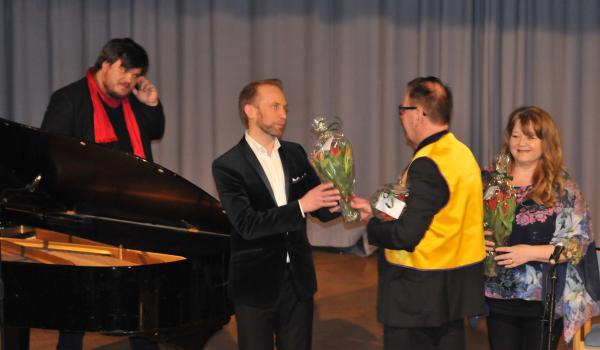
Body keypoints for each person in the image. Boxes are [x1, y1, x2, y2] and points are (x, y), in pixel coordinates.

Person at [40, 37, 165, 350]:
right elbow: (50, 155)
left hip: (133, 216)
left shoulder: (132, 100)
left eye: (136, 74)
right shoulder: (69, 99)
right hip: (84, 221)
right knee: (77, 308)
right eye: (125, 71)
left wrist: (151, 104)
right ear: (105, 64)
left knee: (140, 304)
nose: (130, 80)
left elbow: (154, 131)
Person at [351, 76, 487, 350]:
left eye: (403, 110)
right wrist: (376, 207)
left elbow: (406, 235)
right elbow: (435, 209)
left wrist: (372, 226)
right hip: (451, 287)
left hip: (417, 293)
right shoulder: (460, 152)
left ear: (420, 114)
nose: (400, 117)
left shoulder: (428, 162)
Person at [212, 78, 341, 350]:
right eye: (274, 106)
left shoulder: (294, 153)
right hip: (255, 284)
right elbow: (247, 225)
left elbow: (318, 206)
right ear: (250, 111)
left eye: (285, 107)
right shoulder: (228, 166)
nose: (283, 114)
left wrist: (342, 202)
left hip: (297, 280)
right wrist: (301, 206)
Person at [483, 106, 600, 350]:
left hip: (543, 300)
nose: (521, 142)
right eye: (516, 135)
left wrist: (530, 252)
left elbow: (579, 245)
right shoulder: (490, 182)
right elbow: (466, 224)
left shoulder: (563, 188)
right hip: (496, 297)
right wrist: (474, 238)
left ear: (545, 142)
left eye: (530, 136)